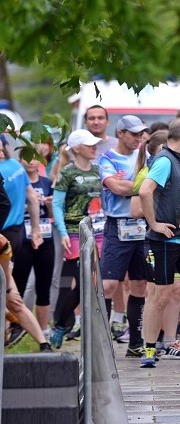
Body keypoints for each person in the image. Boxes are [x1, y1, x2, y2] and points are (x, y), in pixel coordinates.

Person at [138, 118, 180, 368]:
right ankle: (149, 349)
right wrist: (154, 223)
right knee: (159, 295)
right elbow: (144, 191)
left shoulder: (176, 161)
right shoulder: (164, 161)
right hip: (165, 240)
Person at [97, 115, 158, 355]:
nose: (138, 138)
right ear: (120, 133)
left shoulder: (147, 157)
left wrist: (130, 184)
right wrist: (142, 185)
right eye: (133, 134)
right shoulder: (107, 158)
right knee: (109, 284)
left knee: (140, 284)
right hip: (117, 226)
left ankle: (135, 342)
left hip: (142, 225)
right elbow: (116, 187)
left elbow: (134, 186)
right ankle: (101, 339)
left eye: (141, 134)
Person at [50, 129, 106, 348]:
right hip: (74, 232)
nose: (94, 147)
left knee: (92, 282)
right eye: (89, 144)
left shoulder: (98, 170)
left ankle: (83, 326)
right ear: (76, 149)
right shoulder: (67, 173)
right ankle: (60, 325)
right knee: (81, 281)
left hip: (98, 232)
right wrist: (63, 233)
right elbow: (56, 204)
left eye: (94, 144)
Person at [12, 152, 55, 336]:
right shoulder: (16, 181)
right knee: (18, 286)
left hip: (46, 238)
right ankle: (14, 327)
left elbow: (53, 214)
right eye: (25, 157)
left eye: (33, 157)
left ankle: (43, 330)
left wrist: (49, 203)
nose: (30, 161)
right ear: (19, 160)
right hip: (23, 238)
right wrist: (29, 203)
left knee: (43, 287)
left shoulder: (46, 183)